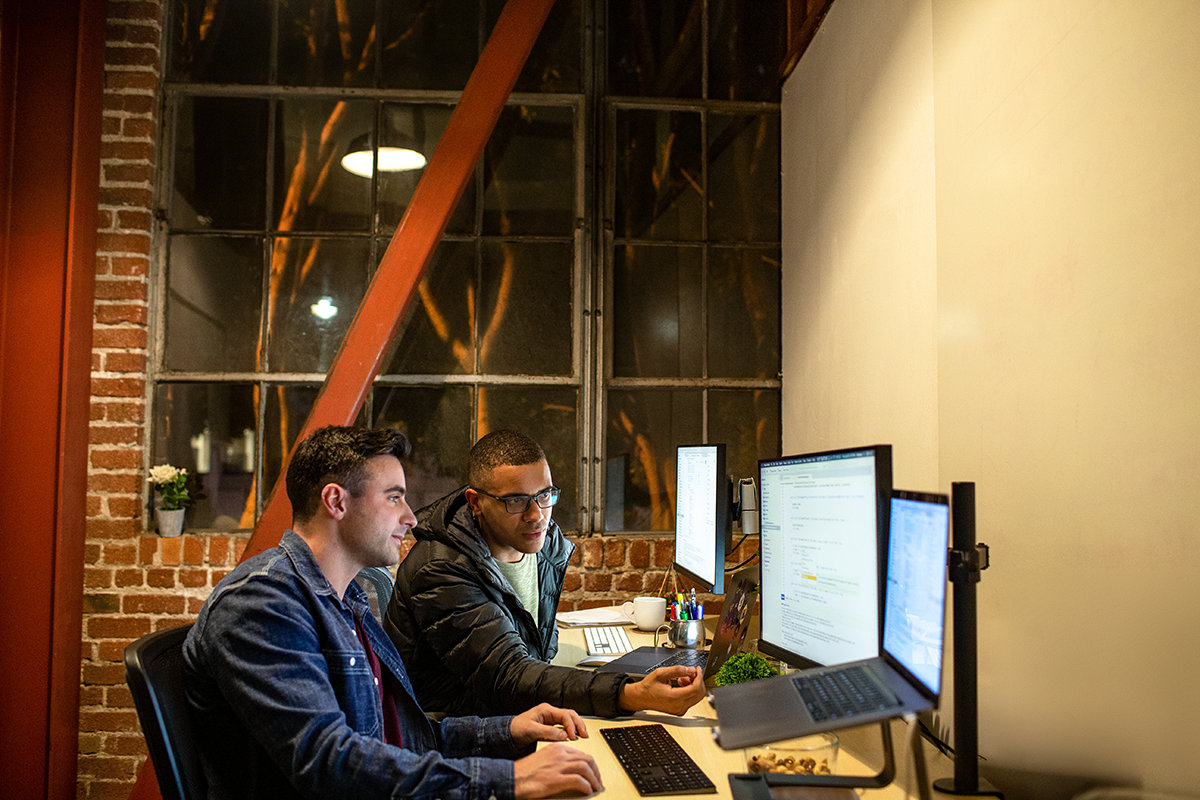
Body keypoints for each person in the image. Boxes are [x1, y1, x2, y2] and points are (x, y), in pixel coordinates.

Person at [183, 425, 602, 800]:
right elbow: (331, 763)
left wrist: (507, 730)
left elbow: (399, 734)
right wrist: (508, 780)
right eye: (394, 498)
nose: (409, 517)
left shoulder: (348, 600)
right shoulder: (263, 603)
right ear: (336, 501)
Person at [384, 429, 706, 718]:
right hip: (456, 738)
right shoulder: (440, 569)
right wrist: (629, 693)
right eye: (515, 501)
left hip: (513, 712)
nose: (536, 515)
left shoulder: (540, 543)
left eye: (544, 495)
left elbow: (533, 661)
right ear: (476, 502)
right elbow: (508, 677)